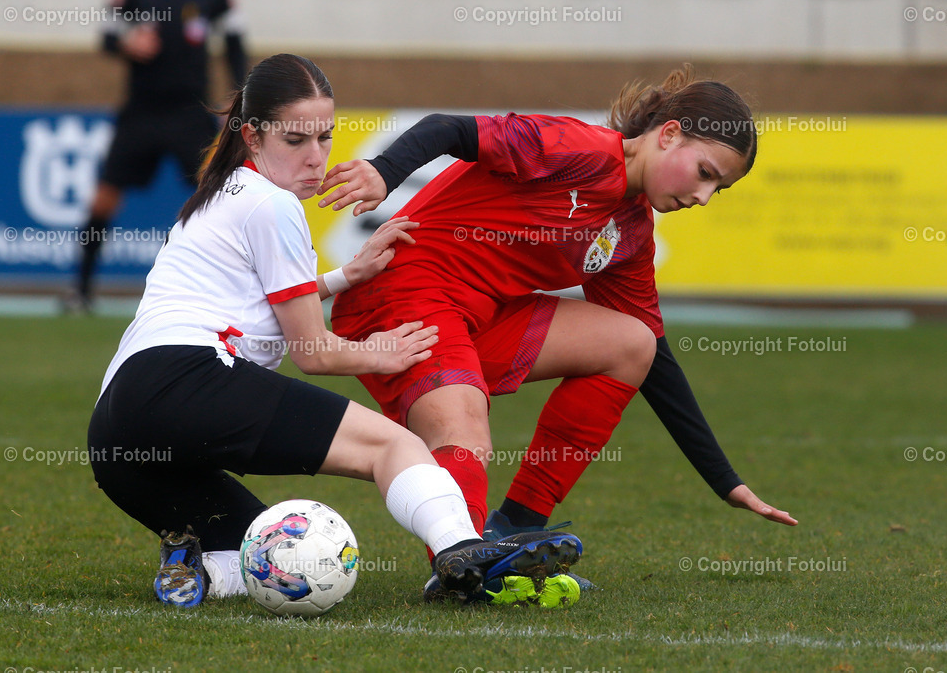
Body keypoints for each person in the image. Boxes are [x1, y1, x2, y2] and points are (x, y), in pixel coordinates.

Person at [86, 54, 583, 609]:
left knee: (260, 547)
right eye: (296, 140)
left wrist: (344, 276)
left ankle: (195, 571)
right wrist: (381, 351)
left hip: (116, 430)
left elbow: (253, 301)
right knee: (397, 447)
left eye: (325, 137)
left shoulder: (219, 193)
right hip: (188, 379)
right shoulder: (273, 205)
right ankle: (464, 549)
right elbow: (313, 353)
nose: (315, 157)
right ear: (251, 134)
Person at [319, 66, 798, 599]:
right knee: (465, 432)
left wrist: (725, 480)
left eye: (720, 188)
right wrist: (384, 173)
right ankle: (460, 563)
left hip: (480, 316)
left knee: (631, 344)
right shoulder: (575, 147)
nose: (705, 197)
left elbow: (655, 358)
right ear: (669, 135)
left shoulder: (632, 232)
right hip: (401, 295)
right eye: (705, 172)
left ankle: (512, 532)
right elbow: (448, 128)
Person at [67, 0, 248, 312]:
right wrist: (126, 43)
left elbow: (235, 44)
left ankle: (227, 294)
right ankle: (81, 290)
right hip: (142, 110)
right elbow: (107, 34)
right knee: (102, 200)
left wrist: (238, 96)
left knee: (216, 199)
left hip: (190, 111)